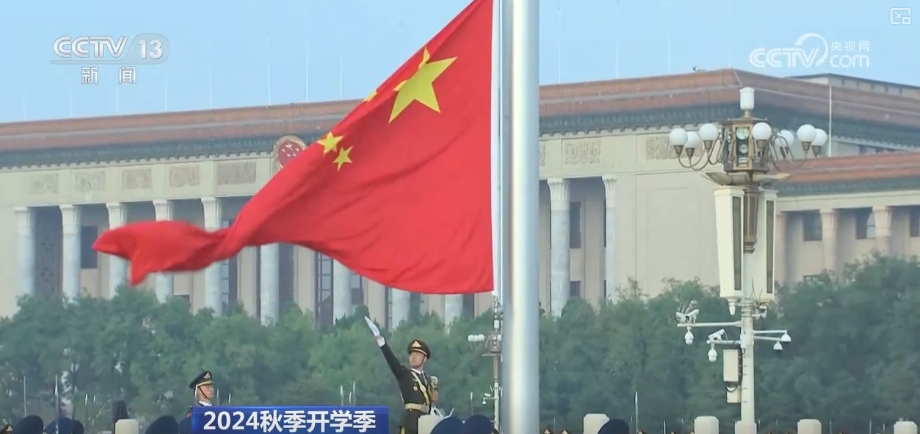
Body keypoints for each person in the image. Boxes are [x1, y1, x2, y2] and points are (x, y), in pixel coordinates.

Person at [364, 317, 435, 434]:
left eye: (417, 354)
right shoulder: (405, 375)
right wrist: (381, 342)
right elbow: (392, 361)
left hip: (425, 424)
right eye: (411, 354)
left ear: (425, 359)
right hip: (410, 424)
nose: (413, 357)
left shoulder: (428, 380)